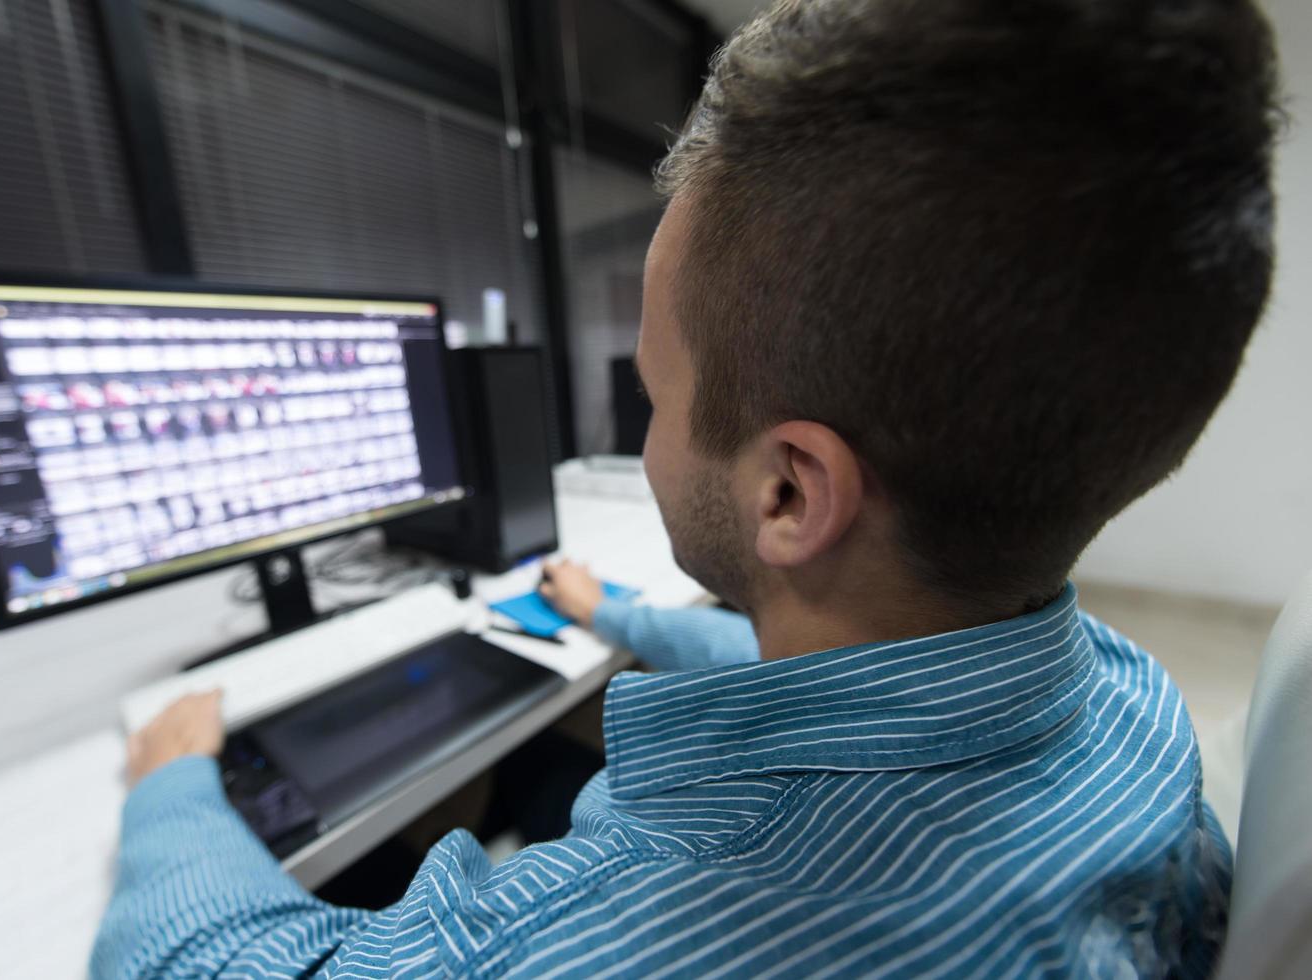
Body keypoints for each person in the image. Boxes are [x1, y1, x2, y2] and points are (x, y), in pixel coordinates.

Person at [91, 0, 1281, 975]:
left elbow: (209, 964)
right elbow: (864, 688)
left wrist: (175, 785)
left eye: (653, 394)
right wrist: (616, 614)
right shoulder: (1130, 702)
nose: (648, 434)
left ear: (785, 493)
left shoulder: (663, 934)